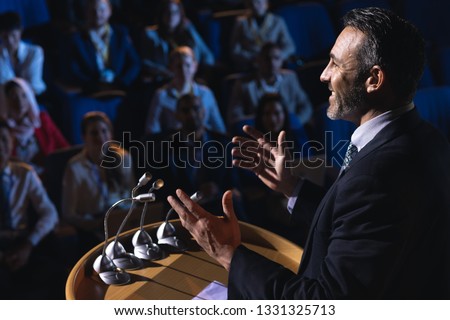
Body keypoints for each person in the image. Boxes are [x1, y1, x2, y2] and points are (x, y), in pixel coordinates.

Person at [167, 7, 450, 299]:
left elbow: (322, 303)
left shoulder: (379, 176)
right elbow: (359, 226)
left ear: (374, 79)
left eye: (335, 64)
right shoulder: (429, 140)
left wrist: (228, 254)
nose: (323, 75)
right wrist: (293, 188)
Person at [0, 120, 61, 299]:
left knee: (56, 273)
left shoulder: (24, 173)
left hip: (23, 240)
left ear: (11, 142)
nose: (0, 147)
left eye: (4, 140)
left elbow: (50, 213)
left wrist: (28, 244)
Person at [62, 111, 135, 252]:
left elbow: (132, 194)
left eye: (104, 131)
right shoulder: (75, 167)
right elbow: (68, 213)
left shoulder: (123, 157)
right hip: (93, 227)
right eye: (94, 133)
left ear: (110, 134)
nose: (100, 137)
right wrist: (94, 224)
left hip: (122, 220)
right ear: (84, 137)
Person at [145, 46, 226, 135]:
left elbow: (219, 129)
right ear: (171, 68)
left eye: (188, 65)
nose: (183, 71)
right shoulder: (161, 95)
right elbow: (152, 131)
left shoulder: (206, 94)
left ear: (195, 66)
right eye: (179, 66)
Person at [228, 42, 313, 126]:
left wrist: (295, 123)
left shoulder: (290, 78)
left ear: (281, 61)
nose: (272, 62)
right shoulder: (244, 84)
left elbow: (306, 105)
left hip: (290, 130)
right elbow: (236, 114)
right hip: (257, 132)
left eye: (276, 58)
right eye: (267, 58)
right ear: (259, 61)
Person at [66, 0, 141, 94]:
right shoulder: (77, 39)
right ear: (86, 12)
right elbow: (73, 70)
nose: (97, 14)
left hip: (119, 90)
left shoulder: (121, 34)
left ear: (110, 10)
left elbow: (135, 63)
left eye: (102, 10)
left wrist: (122, 82)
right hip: (90, 92)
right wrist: (93, 86)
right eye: (92, 11)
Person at [1, 78, 70, 174]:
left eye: (23, 96)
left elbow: (64, 147)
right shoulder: (4, 129)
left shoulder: (42, 120)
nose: (20, 102)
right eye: (13, 97)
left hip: (51, 174)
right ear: (5, 101)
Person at [140, 0, 215, 83]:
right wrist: (167, 73)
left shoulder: (188, 30)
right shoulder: (151, 34)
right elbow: (146, 62)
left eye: (175, 12)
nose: (171, 16)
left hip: (191, 77)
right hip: (165, 79)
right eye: (167, 12)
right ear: (161, 14)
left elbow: (206, 54)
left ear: (181, 15)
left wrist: (203, 74)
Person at [230, 0, 295, 71]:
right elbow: (235, 50)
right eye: (252, 3)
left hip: (272, 64)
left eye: (258, 2)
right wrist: (254, 58)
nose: (255, 5)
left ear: (266, 4)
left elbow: (290, 46)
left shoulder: (277, 21)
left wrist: (277, 57)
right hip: (250, 64)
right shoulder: (241, 22)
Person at [0, 11, 46, 96]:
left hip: (35, 96)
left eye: (13, 35)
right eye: (5, 37)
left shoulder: (34, 52)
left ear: (21, 30)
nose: (10, 41)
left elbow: (33, 84)